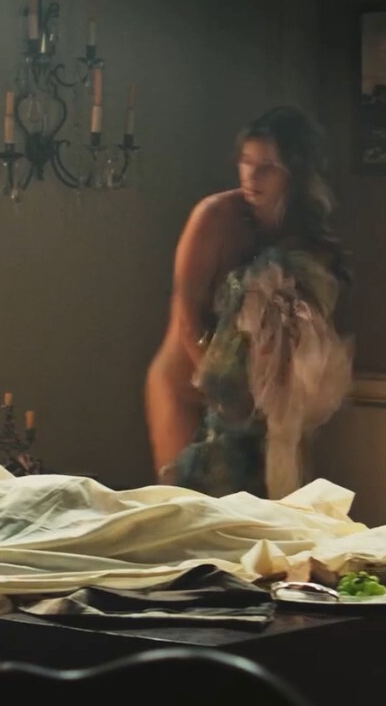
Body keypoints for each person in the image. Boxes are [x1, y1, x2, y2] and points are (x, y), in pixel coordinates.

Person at [144, 106, 354, 499]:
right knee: (190, 510)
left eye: (267, 168)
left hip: (255, 401)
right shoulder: (214, 217)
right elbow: (186, 315)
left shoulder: (301, 236)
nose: (251, 177)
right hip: (186, 386)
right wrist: (222, 388)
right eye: (245, 162)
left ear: (296, 174)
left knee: (262, 514)